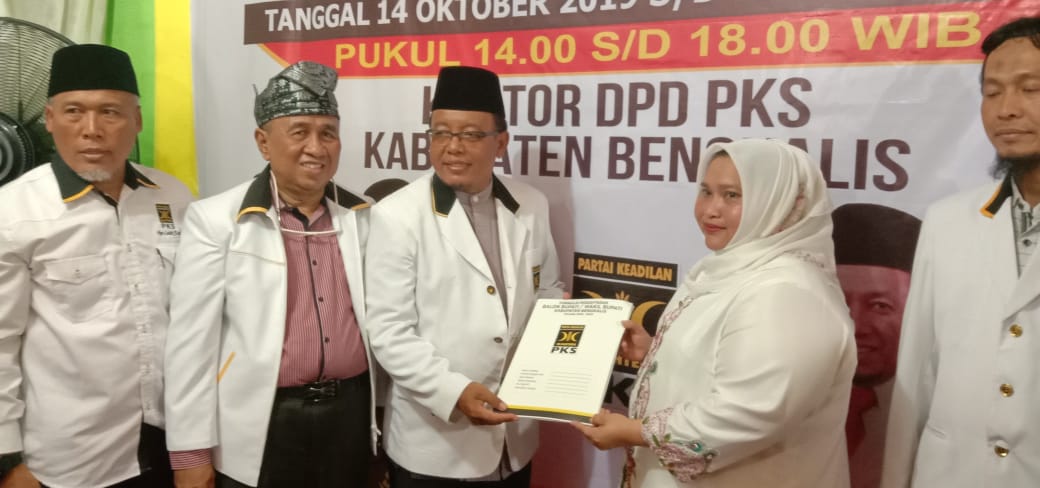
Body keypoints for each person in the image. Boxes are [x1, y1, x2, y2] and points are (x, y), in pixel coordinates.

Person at [572, 138, 856, 488]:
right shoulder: (733, 267)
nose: (710, 209)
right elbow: (734, 364)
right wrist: (658, 353)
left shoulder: (788, 292)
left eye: (732, 195)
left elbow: (752, 410)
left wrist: (635, 432)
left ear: (778, 202)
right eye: (706, 191)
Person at [163, 61, 379, 488]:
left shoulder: (363, 217)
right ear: (263, 142)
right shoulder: (217, 220)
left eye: (328, 133)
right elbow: (190, 345)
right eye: (299, 132)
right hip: (263, 421)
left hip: (350, 420)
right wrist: (190, 453)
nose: (316, 148)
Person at [0, 44, 193, 487]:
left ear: (137, 120)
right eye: (74, 111)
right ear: (49, 119)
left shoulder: (173, 197)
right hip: (70, 460)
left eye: (110, 112)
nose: (92, 130)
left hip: (170, 442)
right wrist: (6, 459)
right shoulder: (14, 212)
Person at [364, 65, 565, 487]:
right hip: (437, 444)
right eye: (440, 133)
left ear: (500, 142)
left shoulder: (531, 204)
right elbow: (389, 331)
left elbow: (548, 288)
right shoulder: (397, 215)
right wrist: (453, 392)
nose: (452, 147)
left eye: (471, 135)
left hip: (516, 437)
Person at [881, 17, 1040, 487]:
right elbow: (917, 374)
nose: (1006, 110)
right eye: (992, 92)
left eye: (1031, 89)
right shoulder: (947, 220)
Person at [831, 203, 921, 488]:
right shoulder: (788, 395)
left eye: (880, 306)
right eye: (840, 301)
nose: (855, 324)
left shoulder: (937, 407)